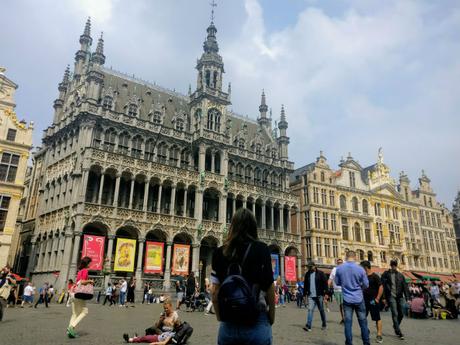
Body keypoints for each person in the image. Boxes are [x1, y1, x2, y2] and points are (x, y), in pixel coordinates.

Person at [211, 208, 275, 345]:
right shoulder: (262, 249)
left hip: (229, 324)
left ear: (232, 226)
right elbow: (270, 287)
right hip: (257, 321)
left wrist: (220, 317)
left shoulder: (219, 252)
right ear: (253, 227)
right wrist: (271, 317)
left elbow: (214, 292)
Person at [335, 251, 370, 345]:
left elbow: (337, 283)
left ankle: (349, 343)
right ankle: (366, 343)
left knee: (348, 323)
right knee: (363, 323)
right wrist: (359, 287)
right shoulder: (361, 269)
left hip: (347, 299)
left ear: (346, 257)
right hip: (359, 298)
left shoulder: (340, 268)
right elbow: (366, 285)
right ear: (355, 257)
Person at [381, 259, 409, 340]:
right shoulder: (386, 274)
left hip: (400, 296)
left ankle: (395, 325)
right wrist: (383, 297)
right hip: (391, 296)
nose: (393, 267)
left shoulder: (401, 275)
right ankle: (398, 331)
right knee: (395, 313)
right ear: (390, 265)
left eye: (395, 265)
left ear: (396, 266)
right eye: (392, 265)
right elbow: (382, 286)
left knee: (401, 314)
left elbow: (405, 287)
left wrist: (407, 298)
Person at [67, 256, 94, 338]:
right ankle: (72, 327)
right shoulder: (85, 270)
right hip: (80, 294)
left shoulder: (79, 271)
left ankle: (69, 331)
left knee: (75, 313)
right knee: (85, 311)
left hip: (74, 293)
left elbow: (78, 282)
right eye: (90, 262)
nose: (91, 264)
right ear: (87, 263)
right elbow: (82, 282)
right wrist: (90, 281)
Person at [360, 261, 383, 344]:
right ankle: (366, 330)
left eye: (361, 268)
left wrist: (377, 298)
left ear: (365, 268)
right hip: (364, 301)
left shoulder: (375, 276)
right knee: (363, 317)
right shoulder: (363, 277)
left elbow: (381, 287)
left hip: (373, 301)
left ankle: (379, 335)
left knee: (377, 318)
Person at [302, 261, 328, 332]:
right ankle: (308, 325)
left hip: (319, 295)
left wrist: (326, 293)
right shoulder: (307, 274)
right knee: (310, 310)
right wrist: (304, 295)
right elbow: (305, 285)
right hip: (311, 296)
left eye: (311, 267)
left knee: (321, 310)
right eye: (309, 267)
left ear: (314, 266)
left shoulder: (321, 273)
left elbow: (325, 283)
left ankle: (324, 324)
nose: (310, 268)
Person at [328, 258, 344, 324]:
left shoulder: (344, 269)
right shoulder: (334, 270)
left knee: (344, 305)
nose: (340, 263)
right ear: (337, 263)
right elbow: (330, 279)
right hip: (336, 290)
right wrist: (327, 289)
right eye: (338, 262)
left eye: (341, 262)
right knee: (340, 305)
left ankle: (346, 318)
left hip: (344, 290)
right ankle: (343, 318)